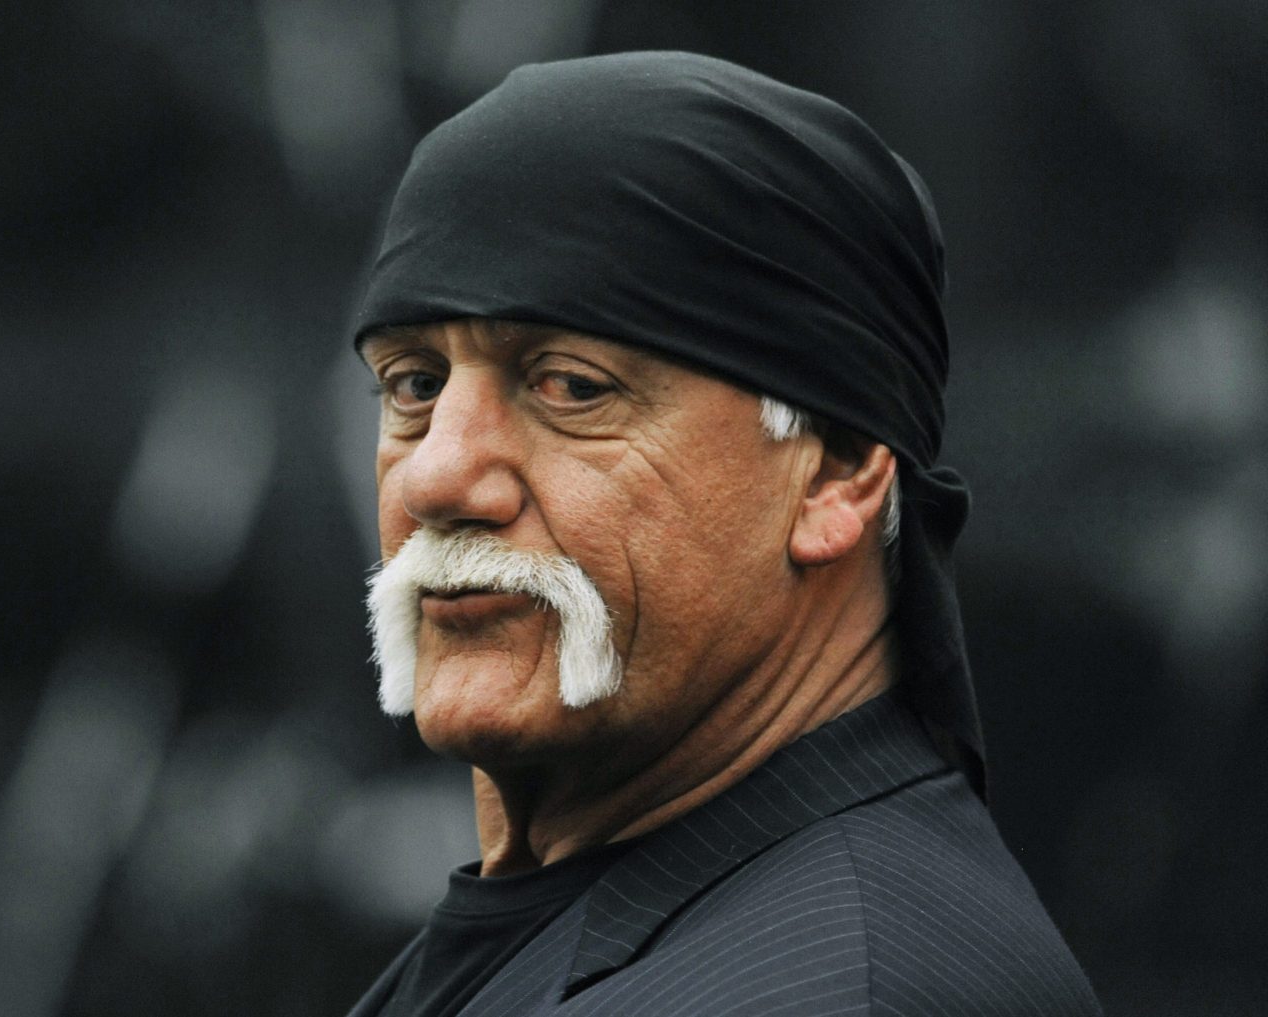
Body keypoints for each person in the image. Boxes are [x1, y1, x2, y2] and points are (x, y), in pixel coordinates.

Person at [346, 52, 1101, 1017]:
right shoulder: (643, 914)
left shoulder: (835, 990)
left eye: (571, 386)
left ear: (832, 471)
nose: (435, 476)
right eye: (414, 385)